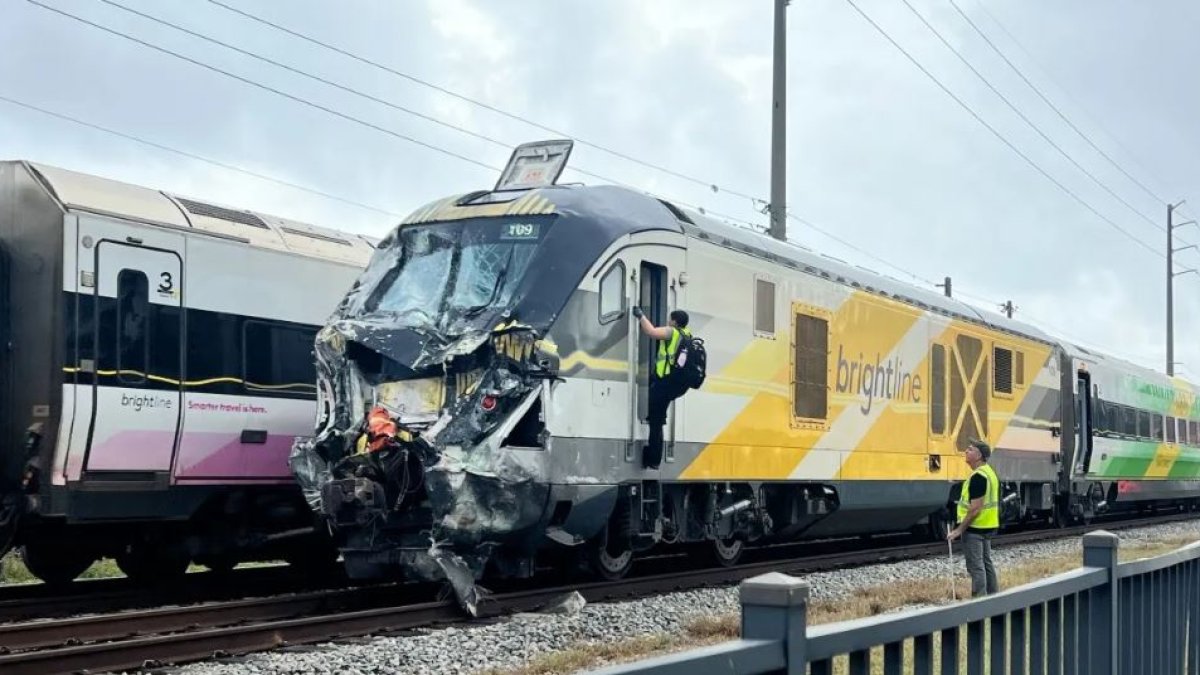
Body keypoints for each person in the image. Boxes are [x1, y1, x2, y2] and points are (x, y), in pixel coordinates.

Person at [632, 306, 690, 469]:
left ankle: (654, 459)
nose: (668, 321)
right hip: (673, 384)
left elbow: (651, 332)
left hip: (664, 383)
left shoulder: (673, 332)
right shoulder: (686, 335)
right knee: (658, 418)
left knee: (656, 421)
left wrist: (640, 316)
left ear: (675, 321)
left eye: (670, 319)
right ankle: (654, 457)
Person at [947, 438, 1000, 597]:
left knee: (976, 566)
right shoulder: (989, 473)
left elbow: (975, 508)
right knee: (986, 562)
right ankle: (993, 597)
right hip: (987, 525)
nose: (966, 451)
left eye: (970, 449)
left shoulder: (978, 477)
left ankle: (979, 602)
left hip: (975, 527)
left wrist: (958, 530)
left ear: (978, 456)